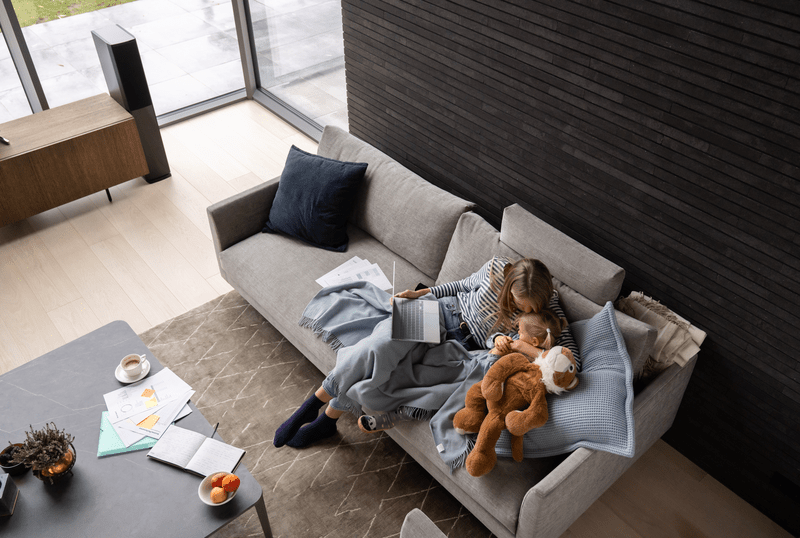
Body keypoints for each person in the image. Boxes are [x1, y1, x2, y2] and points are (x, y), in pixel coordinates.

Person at [274, 256, 565, 448]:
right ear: (509, 284)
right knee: (379, 347)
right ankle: (314, 404)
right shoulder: (496, 268)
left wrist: (511, 343)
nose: (522, 310)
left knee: (389, 376)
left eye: (528, 308)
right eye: (516, 301)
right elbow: (461, 286)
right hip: (439, 312)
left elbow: (558, 355)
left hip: (460, 347)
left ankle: (327, 419)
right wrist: (420, 294)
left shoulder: (545, 311)